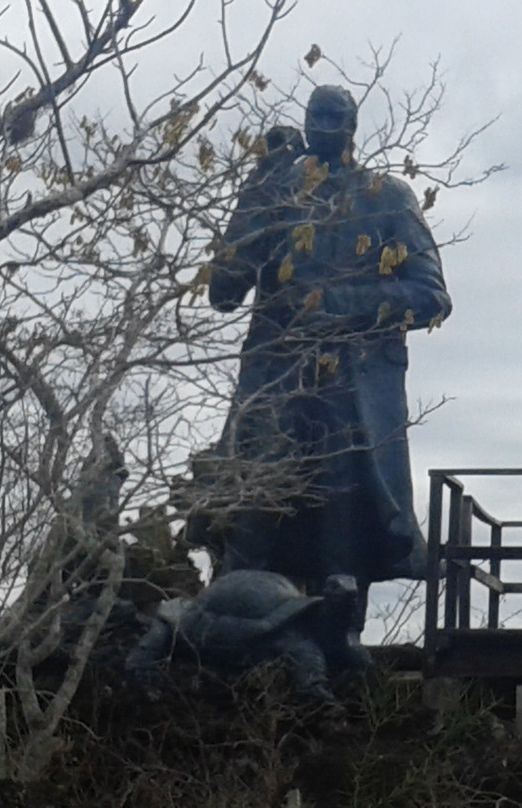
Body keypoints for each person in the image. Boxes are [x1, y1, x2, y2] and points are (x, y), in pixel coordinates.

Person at [207, 85, 451, 625]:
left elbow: (431, 297)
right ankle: (219, 658)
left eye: (333, 120)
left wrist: (338, 304)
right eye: (315, 118)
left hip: (349, 400)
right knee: (248, 531)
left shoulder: (386, 196)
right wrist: (257, 188)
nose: (322, 129)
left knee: (342, 549)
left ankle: (340, 668)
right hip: (274, 389)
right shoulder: (276, 196)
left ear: (352, 127)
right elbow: (223, 290)